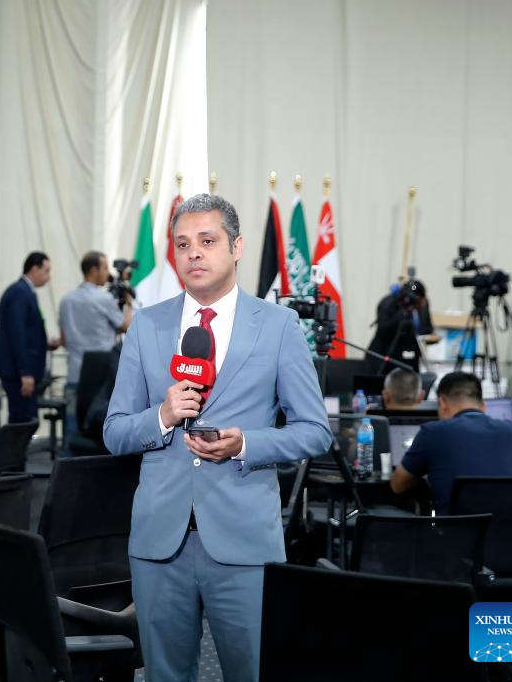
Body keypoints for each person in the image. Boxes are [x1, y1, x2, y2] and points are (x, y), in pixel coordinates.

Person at [103, 193, 330, 682]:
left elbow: (315, 431)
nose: (194, 254)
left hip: (244, 540)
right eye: (183, 244)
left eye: (207, 241)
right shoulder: (146, 325)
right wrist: (162, 417)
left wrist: (245, 444)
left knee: (253, 672)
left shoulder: (278, 325)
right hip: (159, 542)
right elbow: (114, 431)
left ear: (237, 247)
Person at [391, 371, 512, 513]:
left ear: (442, 403)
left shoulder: (433, 432)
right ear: (483, 405)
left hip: (458, 527)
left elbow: (398, 485)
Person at [58, 251, 132, 442]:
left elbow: (63, 340)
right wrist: (129, 304)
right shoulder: (103, 299)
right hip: (100, 380)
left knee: (71, 432)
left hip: (74, 373)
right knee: (99, 431)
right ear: (93, 270)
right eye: (105, 267)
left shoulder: (66, 300)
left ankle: (66, 462)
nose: (108, 273)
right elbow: (127, 326)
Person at [0, 252, 58, 423]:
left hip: (21, 371)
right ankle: (11, 443)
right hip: (17, 373)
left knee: (24, 419)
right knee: (23, 421)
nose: (48, 277)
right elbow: (17, 334)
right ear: (35, 269)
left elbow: (27, 333)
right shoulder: (19, 293)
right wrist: (25, 372)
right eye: (46, 271)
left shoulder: (26, 292)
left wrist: (44, 344)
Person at [366, 278, 435, 373]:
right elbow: (383, 329)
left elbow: (427, 327)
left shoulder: (423, 304)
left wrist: (427, 337)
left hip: (410, 357)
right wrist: (403, 313)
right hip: (385, 355)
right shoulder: (389, 303)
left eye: (419, 300)